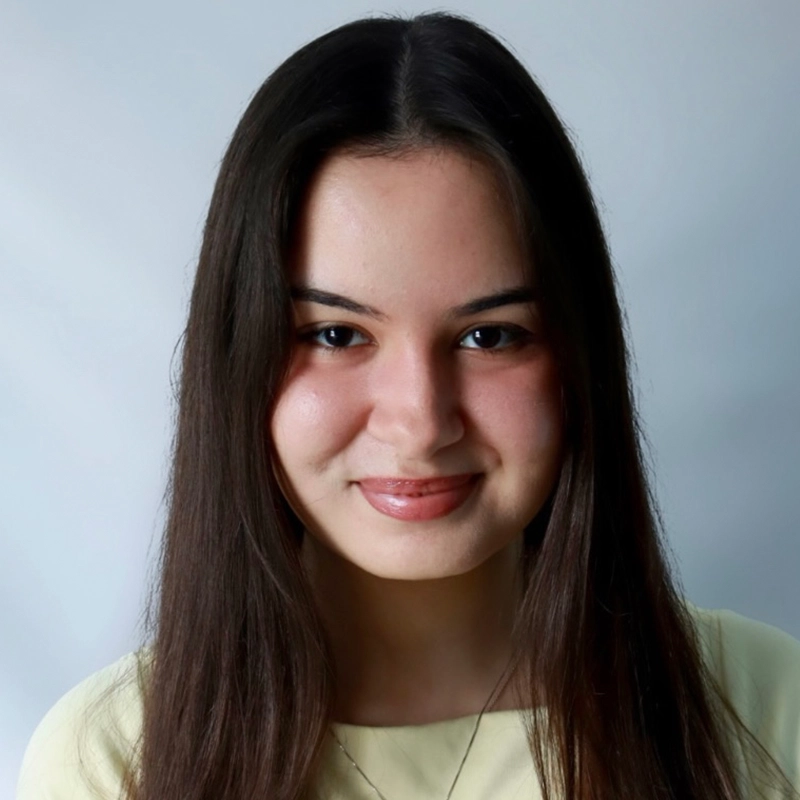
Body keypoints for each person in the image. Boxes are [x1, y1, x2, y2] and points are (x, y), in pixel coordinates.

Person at [16, 12, 800, 800]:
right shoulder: (113, 760)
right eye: (334, 333)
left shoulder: (767, 711)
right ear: (238, 361)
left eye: (490, 336)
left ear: (576, 355)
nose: (421, 424)